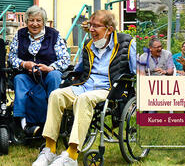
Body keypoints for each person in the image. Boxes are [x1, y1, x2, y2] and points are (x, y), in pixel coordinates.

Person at [32, 10, 135, 166]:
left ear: (109, 29)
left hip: (109, 89)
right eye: (91, 25)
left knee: (84, 99)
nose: (91, 29)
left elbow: (135, 72)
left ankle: (72, 155)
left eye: (96, 26)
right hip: (85, 85)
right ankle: (49, 149)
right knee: (56, 95)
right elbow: (79, 68)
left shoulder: (126, 44)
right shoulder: (88, 45)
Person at [8, 6, 69, 135]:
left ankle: (54, 121)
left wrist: (50, 68)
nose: (35, 24)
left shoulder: (54, 35)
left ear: (44, 22)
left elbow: (65, 59)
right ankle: (24, 124)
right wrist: (24, 64)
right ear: (26, 21)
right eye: (31, 20)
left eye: (38, 20)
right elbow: (12, 57)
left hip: (48, 74)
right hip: (28, 74)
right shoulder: (20, 35)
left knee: (54, 76)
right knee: (19, 79)